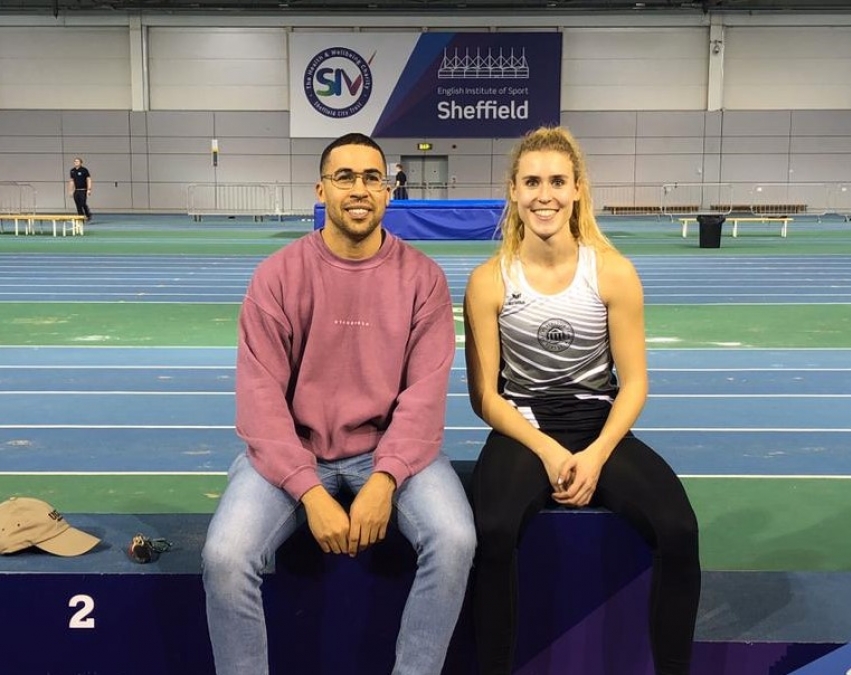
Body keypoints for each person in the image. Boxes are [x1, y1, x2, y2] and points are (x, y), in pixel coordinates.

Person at [202, 132, 476, 675]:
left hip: (388, 453)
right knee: (225, 558)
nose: (359, 189)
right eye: (345, 177)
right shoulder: (278, 276)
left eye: (372, 178)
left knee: (455, 539)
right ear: (321, 188)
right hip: (295, 454)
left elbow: (423, 399)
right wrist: (309, 492)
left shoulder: (423, 279)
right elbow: (259, 401)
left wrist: (385, 480)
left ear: (388, 191)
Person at [463, 126, 700, 675]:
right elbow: (484, 397)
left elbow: (634, 382)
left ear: (576, 191)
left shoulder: (612, 272)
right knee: (494, 531)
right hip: (521, 426)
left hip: (598, 422)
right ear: (514, 192)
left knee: (680, 530)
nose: (544, 195)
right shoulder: (488, 282)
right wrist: (546, 451)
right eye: (531, 182)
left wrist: (595, 455)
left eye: (556, 182)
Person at [68, 157, 92, 221]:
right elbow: (71, 181)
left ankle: (88, 214)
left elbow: (88, 179)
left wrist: (89, 189)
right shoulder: (72, 171)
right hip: (76, 190)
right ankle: (81, 218)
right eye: (75, 161)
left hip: (83, 190)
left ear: (81, 163)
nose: (76, 162)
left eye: (77, 161)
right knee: (78, 205)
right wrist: (70, 190)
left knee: (83, 203)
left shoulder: (84, 170)